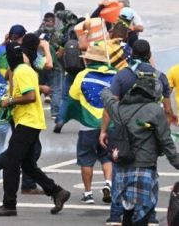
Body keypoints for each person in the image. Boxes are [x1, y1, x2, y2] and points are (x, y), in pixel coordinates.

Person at [0, 40, 70, 217]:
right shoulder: (23, 69)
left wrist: (9, 101)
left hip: (28, 122)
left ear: (9, 58)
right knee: (28, 165)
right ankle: (57, 191)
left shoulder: (21, 71)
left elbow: (31, 96)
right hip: (29, 121)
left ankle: (9, 204)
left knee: (12, 162)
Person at [100, 40, 173, 225]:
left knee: (120, 179)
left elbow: (109, 100)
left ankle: (116, 216)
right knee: (148, 188)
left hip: (123, 140)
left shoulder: (122, 77)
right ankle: (151, 217)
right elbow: (166, 113)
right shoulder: (160, 78)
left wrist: (103, 131)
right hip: (147, 149)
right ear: (149, 54)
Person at [63, 42, 115, 204]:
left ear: (88, 60)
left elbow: (72, 96)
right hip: (111, 124)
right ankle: (108, 183)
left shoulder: (82, 75)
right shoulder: (116, 74)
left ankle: (88, 193)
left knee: (86, 159)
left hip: (88, 124)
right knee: (107, 158)